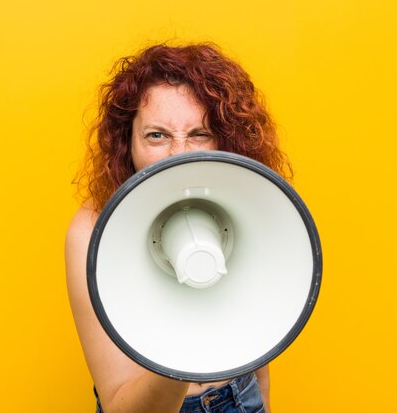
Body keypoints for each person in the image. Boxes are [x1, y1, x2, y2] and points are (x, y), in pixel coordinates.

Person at [66, 43, 292, 413]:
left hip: (240, 396)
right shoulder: (92, 231)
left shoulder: (249, 203)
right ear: (128, 143)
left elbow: (260, 353)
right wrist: (181, 339)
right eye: (157, 136)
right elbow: (121, 405)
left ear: (224, 139)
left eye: (199, 134)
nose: (179, 154)